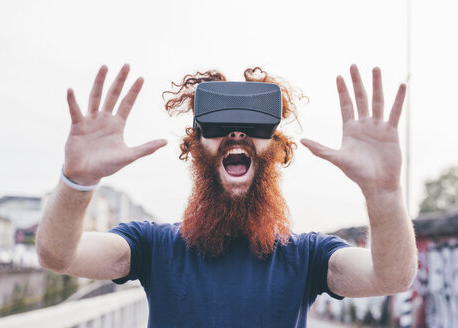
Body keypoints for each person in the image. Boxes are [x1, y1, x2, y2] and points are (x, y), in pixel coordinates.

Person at [35, 63, 418, 327]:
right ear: (196, 147)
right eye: (220, 125)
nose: (236, 134)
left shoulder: (307, 256)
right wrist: (77, 181)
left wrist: (383, 194)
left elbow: (392, 277)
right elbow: (58, 254)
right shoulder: (154, 246)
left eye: (253, 126)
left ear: (275, 149)